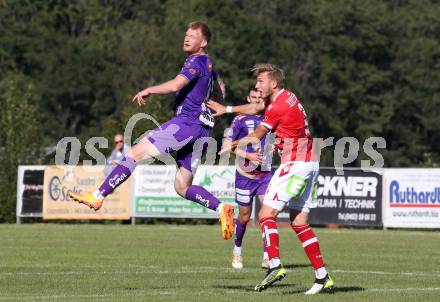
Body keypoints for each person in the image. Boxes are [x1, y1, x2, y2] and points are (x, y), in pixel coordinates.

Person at [68, 21, 234, 240]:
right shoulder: (209, 64)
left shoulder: (196, 60)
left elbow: (176, 85)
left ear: (203, 42)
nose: (186, 38)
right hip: (203, 130)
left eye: (192, 36)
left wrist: (149, 89)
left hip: (185, 123)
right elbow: (221, 87)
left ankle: (98, 195)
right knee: (182, 187)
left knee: (135, 153)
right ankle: (222, 208)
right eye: (186, 34)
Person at [208, 64, 334, 294]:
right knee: (299, 223)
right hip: (310, 162)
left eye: (261, 82)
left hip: (295, 164)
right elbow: (255, 107)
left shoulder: (277, 107)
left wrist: (233, 145)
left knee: (266, 215)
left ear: (273, 84)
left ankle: (274, 264)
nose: (257, 86)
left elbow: (257, 135)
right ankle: (322, 276)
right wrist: (228, 109)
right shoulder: (286, 97)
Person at [225, 88, 272, 270]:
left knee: (267, 214)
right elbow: (229, 146)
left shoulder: (270, 115)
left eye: (260, 97)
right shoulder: (239, 120)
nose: (257, 99)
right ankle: (237, 250)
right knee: (244, 217)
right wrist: (249, 156)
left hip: (265, 174)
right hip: (245, 175)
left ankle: (268, 256)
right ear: (247, 99)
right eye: (253, 97)